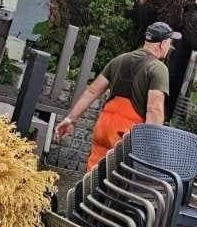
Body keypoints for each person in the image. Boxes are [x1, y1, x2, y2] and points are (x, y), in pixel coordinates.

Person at [54, 22, 180, 170]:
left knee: (93, 176)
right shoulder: (158, 68)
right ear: (163, 43)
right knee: (119, 184)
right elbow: (154, 109)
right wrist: (150, 146)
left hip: (103, 127)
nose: (169, 48)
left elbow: (92, 91)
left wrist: (70, 119)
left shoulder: (120, 60)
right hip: (126, 135)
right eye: (169, 43)